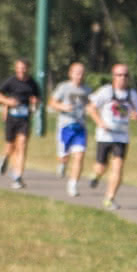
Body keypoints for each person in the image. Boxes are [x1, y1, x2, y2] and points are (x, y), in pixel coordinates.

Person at [86, 63, 137, 210]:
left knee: (118, 167)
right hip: (105, 136)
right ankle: (96, 175)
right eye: (119, 75)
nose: (122, 78)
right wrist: (100, 122)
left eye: (125, 75)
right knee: (101, 167)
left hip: (122, 137)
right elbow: (91, 107)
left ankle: (109, 198)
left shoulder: (132, 95)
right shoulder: (106, 92)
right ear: (113, 76)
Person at [0, 57, 41, 189]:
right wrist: (8, 102)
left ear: (28, 69)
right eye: (19, 68)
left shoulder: (33, 83)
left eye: (23, 68)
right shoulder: (11, 81)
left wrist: (35, 103)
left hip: (24, 119)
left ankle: (17, 176)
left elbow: (37, 99)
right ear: (16, 68)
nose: (21, 70)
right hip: (11, 118)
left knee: (22, 145)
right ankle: (5, 158)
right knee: (10, 147)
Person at [49, 61, 92, 197]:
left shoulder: (87, 90)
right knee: (64, 156)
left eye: (82, 73)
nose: (79, 76)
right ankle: (62, 164)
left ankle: (73, 185)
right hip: (65, 126)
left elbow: (91, 105)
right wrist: (62, 107)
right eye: (77, 73)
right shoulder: (64, 87)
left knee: (79, 157)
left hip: (80, 127)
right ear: (71, 74)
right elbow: (52, 102)